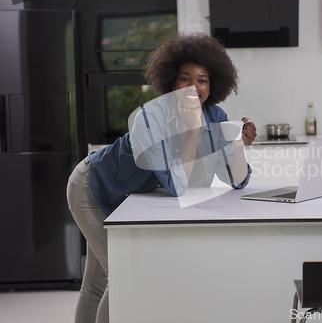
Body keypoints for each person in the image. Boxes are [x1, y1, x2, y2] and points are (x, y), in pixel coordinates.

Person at [66, 33, 257, 323]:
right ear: (171, 82)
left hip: (126, 195)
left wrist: (238, 146)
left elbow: (236, 180)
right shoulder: (149, 118)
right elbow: (178, 186)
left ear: (212, 84)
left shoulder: (215, 115)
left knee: (97, 282)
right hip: (91, 187)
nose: (194, 87)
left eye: (202, 80)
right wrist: (192, 130)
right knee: (118, 278)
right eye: (185, 79)